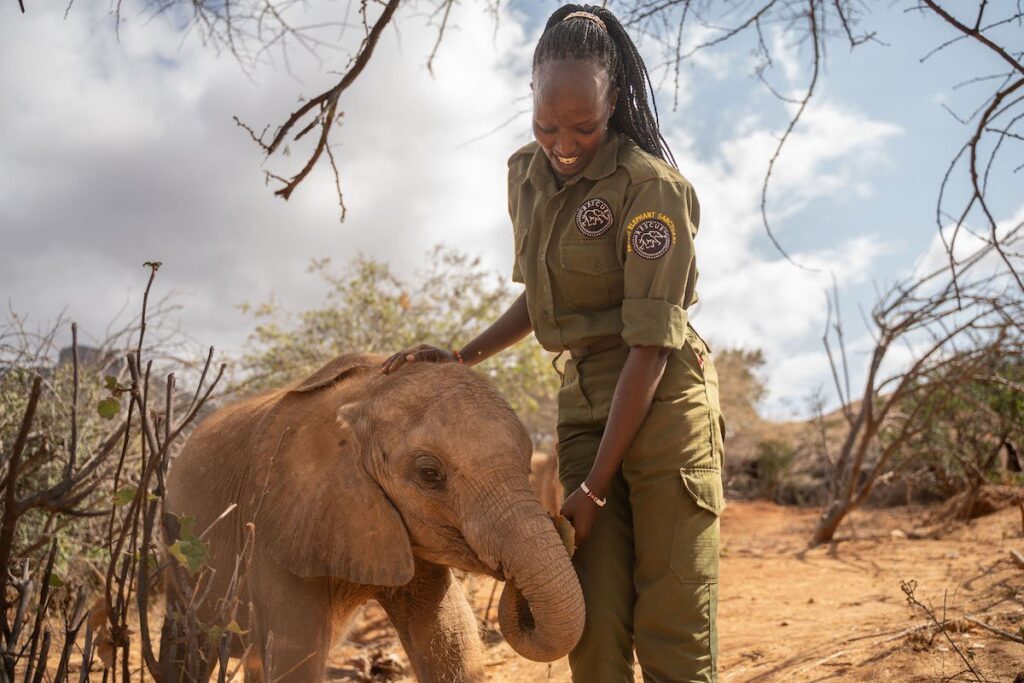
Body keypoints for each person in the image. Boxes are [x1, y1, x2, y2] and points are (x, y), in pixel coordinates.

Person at [382, 4, 725, 681]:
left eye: (584, 127)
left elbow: (651, 347)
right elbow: (543, 299)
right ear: (530, 102)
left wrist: (593, 488)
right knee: (587, 622)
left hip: (661, 401)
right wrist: (458, 356)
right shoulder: (528, 178)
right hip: (585, 401)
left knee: (672, 624)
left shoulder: (651, 190)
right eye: (546, 125)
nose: (563, 144)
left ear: (616, 100)